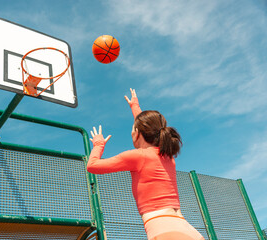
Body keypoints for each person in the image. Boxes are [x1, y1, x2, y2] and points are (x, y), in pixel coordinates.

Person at [87, 89, 204, 240]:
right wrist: (135, 107)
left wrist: (98, 144)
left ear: (138, 133)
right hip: (188, 230)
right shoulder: (167, 155)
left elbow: (92, 165)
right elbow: (149, 129)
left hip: (165, 232)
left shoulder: (136, 156)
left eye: (132, 130)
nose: (130, 133)